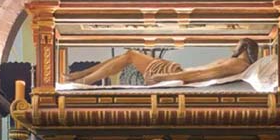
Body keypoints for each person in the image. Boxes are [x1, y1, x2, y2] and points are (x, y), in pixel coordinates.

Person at [67, 38, 259, 86]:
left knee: (130, 56)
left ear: (244, 46)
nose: (233, 49)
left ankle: (83, 80)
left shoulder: (238, 64)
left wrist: (165, 77)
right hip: (176, 71)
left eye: (236, 45)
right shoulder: (236, 63)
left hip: (175, 72)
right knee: (128, 55)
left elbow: (200, 75)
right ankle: (81, 76)